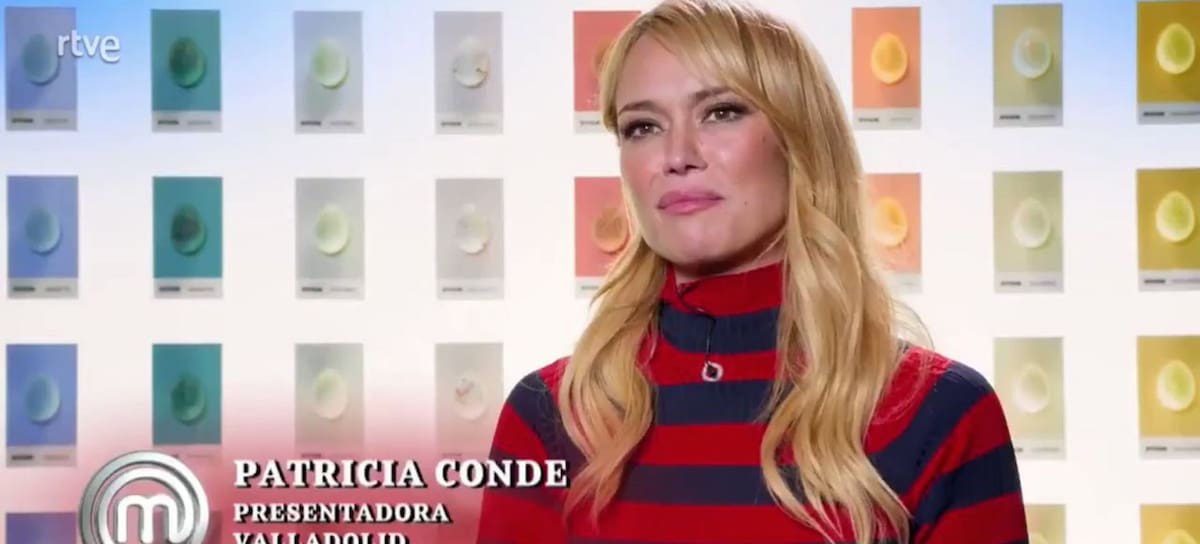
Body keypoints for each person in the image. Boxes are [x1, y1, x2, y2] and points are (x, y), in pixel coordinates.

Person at [476, 0, 1027, 542]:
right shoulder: (549, 417)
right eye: (643, 126)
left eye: (721, 112)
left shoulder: (939, 413)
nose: (677, 155)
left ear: (799, 140)